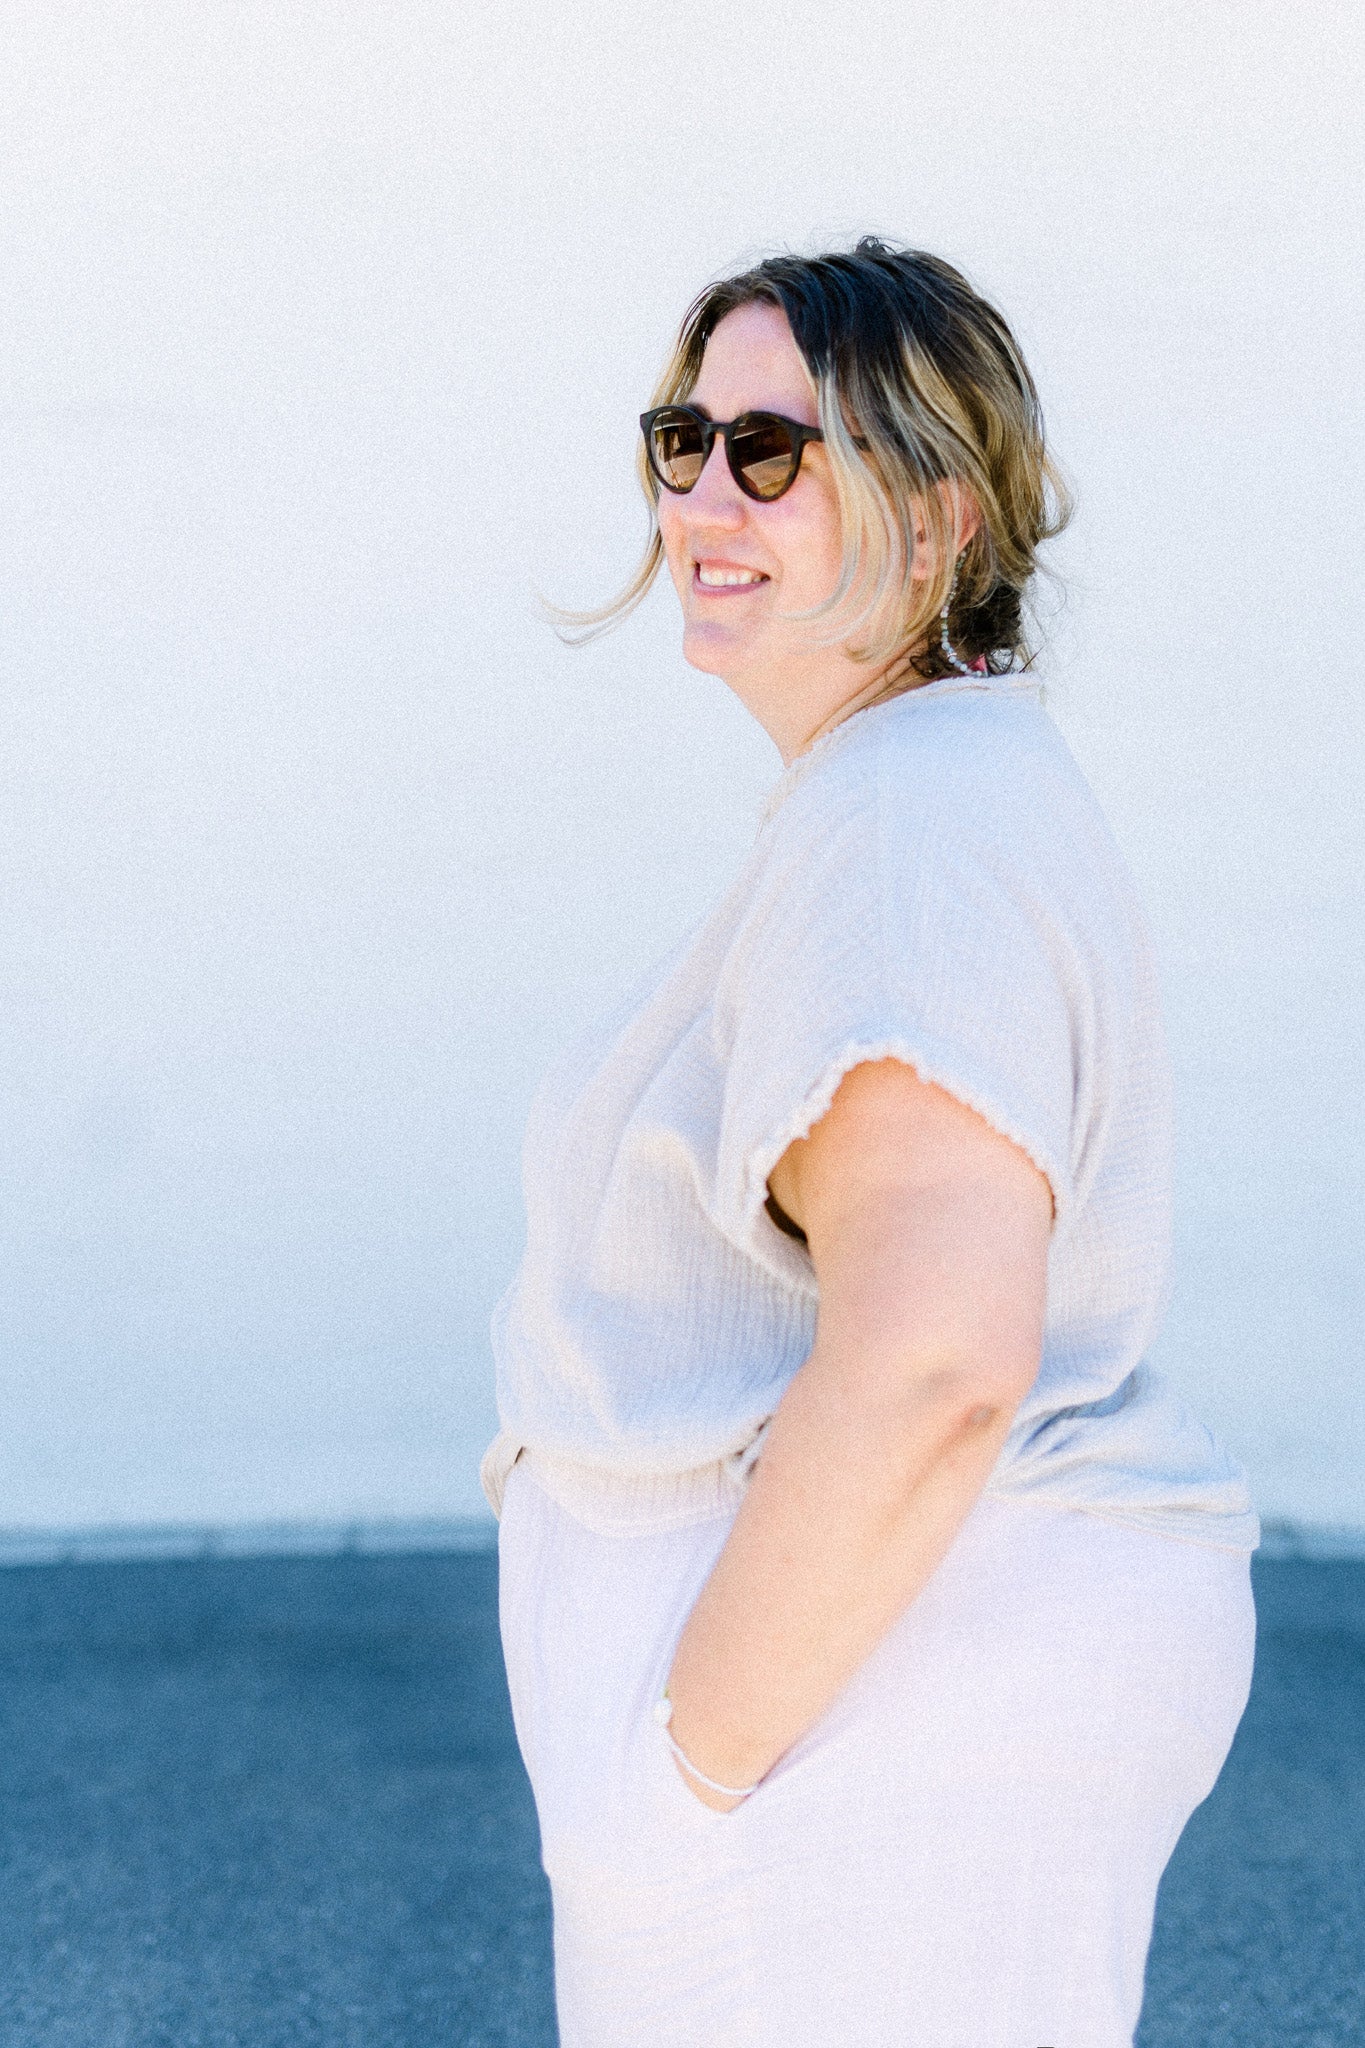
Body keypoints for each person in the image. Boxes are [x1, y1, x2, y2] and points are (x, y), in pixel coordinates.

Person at [480, 238, 1258, 2048]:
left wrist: (680, 1785)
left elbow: (933, 1355)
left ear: (935, 524)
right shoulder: (925, 793)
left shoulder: (908, 824)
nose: (702, 495)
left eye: (776, 448)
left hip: (841, 1756)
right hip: (862, 1749)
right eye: (682, 440)